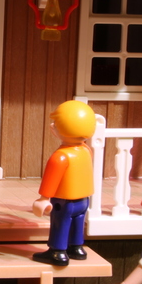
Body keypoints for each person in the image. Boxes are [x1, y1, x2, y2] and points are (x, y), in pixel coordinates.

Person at [32, 100, 96, 266]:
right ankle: (76, 248)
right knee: (78, 222)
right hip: (83, 200)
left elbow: (50, 179)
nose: (52, 126)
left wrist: (43, 198)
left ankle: (57, 251)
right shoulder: (86, 150)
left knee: (60, 223)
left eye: (56, 124)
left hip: (65, 201)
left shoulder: (60, 156)